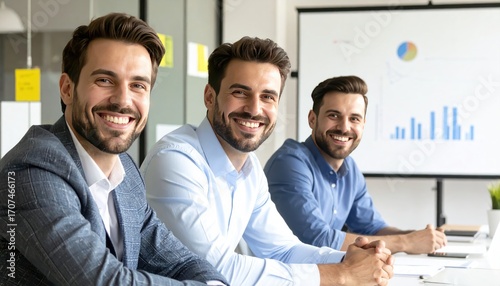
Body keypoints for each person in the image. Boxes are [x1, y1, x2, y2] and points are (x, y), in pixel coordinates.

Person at [140, 36, 394, 286]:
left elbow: (282, 250)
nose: (254, 109)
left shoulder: (250, 170)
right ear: (209, 97)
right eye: (240, 92)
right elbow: (213, 267)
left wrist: (354, 259)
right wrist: (342, 274)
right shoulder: (174, 161)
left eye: (268, 97)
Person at [0, 13, 228, 286]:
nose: (123, 100)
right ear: (67, 89)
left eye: (138, 85)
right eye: (105, 80)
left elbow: (182, 262)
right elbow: (105, 282)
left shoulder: (126, 172)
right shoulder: (31, 171)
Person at [264, 75, 447, 255]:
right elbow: (318, 239)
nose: (344, 127)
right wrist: (406, 242)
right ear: (312, 119)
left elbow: (372, 228)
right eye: (334, 115)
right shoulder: (289, 164)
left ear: (363, 124)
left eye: (354, 119)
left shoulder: (350, 170)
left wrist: (418, 237)